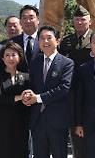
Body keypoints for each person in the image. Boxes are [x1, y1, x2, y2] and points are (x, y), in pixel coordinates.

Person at [22, 25, 74, 158]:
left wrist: (38, 98)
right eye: (42, 38)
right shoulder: (35, 62)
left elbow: (64, 88)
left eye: (49, 38)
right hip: (37, 120)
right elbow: (31, 85)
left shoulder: (67, 63)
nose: (45, 41)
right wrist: (28, 95)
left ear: (57, 40)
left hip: (57, 120)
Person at [58, 4, 93, 158]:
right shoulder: (67, 41)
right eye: (77, 19)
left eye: (83, 19)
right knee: (76, 133)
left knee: (92, 136)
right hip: (71, 91)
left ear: (89, 21)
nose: (80, 22)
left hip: (92, 89)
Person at [0, 42, 31, 158]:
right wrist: (19, 97)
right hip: (0, 123)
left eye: (14, 55)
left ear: (20, 57)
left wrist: (28, 97)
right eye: (7, 55)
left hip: (20, 123)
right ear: (2, 57)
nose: (11, 58)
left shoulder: (25, 76)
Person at [11, 5, 41, 72]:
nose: (28, 21)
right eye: (24, 18)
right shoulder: (13, 42)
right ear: (20, 21)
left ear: (38, 20)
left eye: (31, 18)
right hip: (19, 81)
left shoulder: (45, 40)